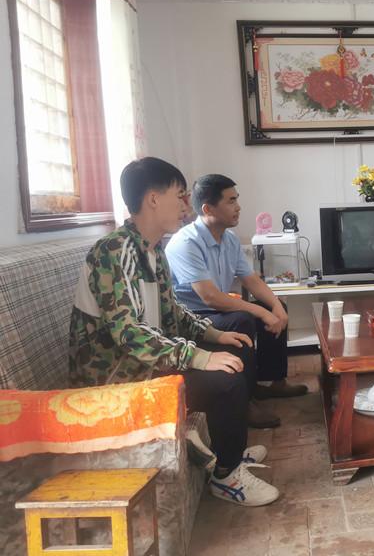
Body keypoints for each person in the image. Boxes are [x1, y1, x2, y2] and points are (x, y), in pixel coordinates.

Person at [69, 157, 280, 507]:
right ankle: (226, 478)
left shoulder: (152, 251)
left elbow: (173, 312)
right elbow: (129, 333)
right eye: (179, 195)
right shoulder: (114, 251)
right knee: (225, 381)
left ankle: (229, 452)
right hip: (118, 381)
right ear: (153, 199)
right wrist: (198, 356)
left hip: (147, 365)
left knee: (235, 346)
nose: (186, 205)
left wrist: (213, 336)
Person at [165, 174, 307, 420]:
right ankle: (246, 400)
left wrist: (275, 306)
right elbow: (210, 298)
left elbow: (251, 280)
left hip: (217, 309)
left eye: (236, 199)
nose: (238, 207)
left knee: (273, 308)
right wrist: (260, 311)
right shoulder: (185, 243)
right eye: (231, 201)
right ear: (208, 209)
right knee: (242, 320)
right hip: (192, 317)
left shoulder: (229, 239)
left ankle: (275, 382)